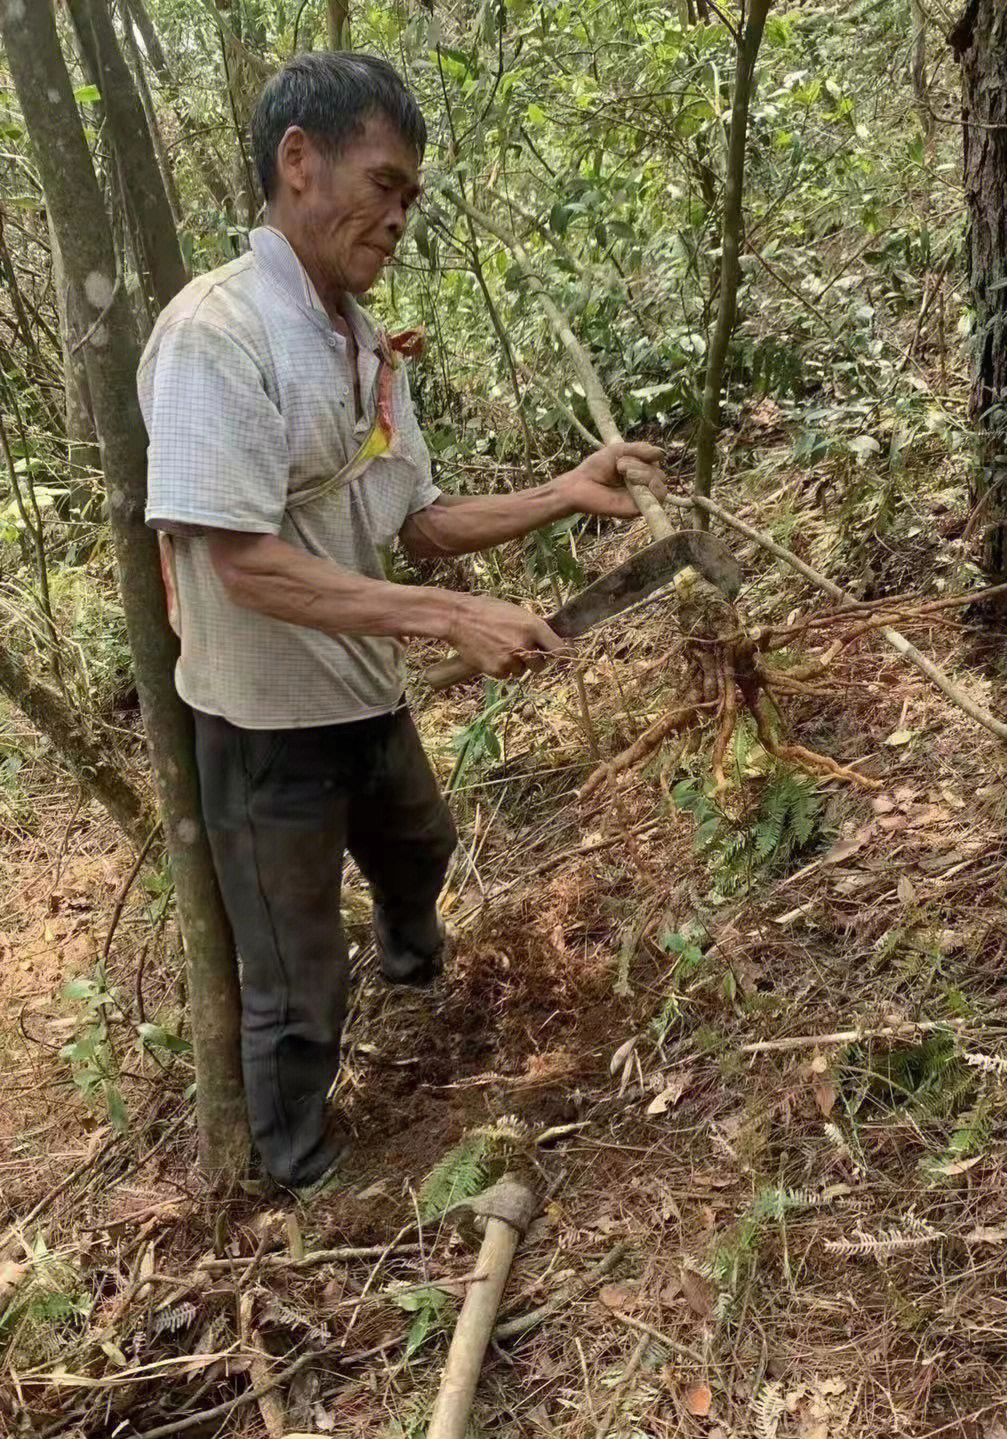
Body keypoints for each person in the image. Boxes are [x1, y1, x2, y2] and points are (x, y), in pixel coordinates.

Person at [138, 51, 667, 1190]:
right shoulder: (215, 336)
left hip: (361, 691)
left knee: (420, 843)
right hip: (264, 723)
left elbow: (416, 518)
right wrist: (447, 619)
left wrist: (567, 490)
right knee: (295, 975)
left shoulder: (362, 344)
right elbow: (240, 563)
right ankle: (301, 1173)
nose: (399, 218)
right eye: (384, 185)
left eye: (411, 197)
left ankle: (416, 979)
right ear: (298, 163)